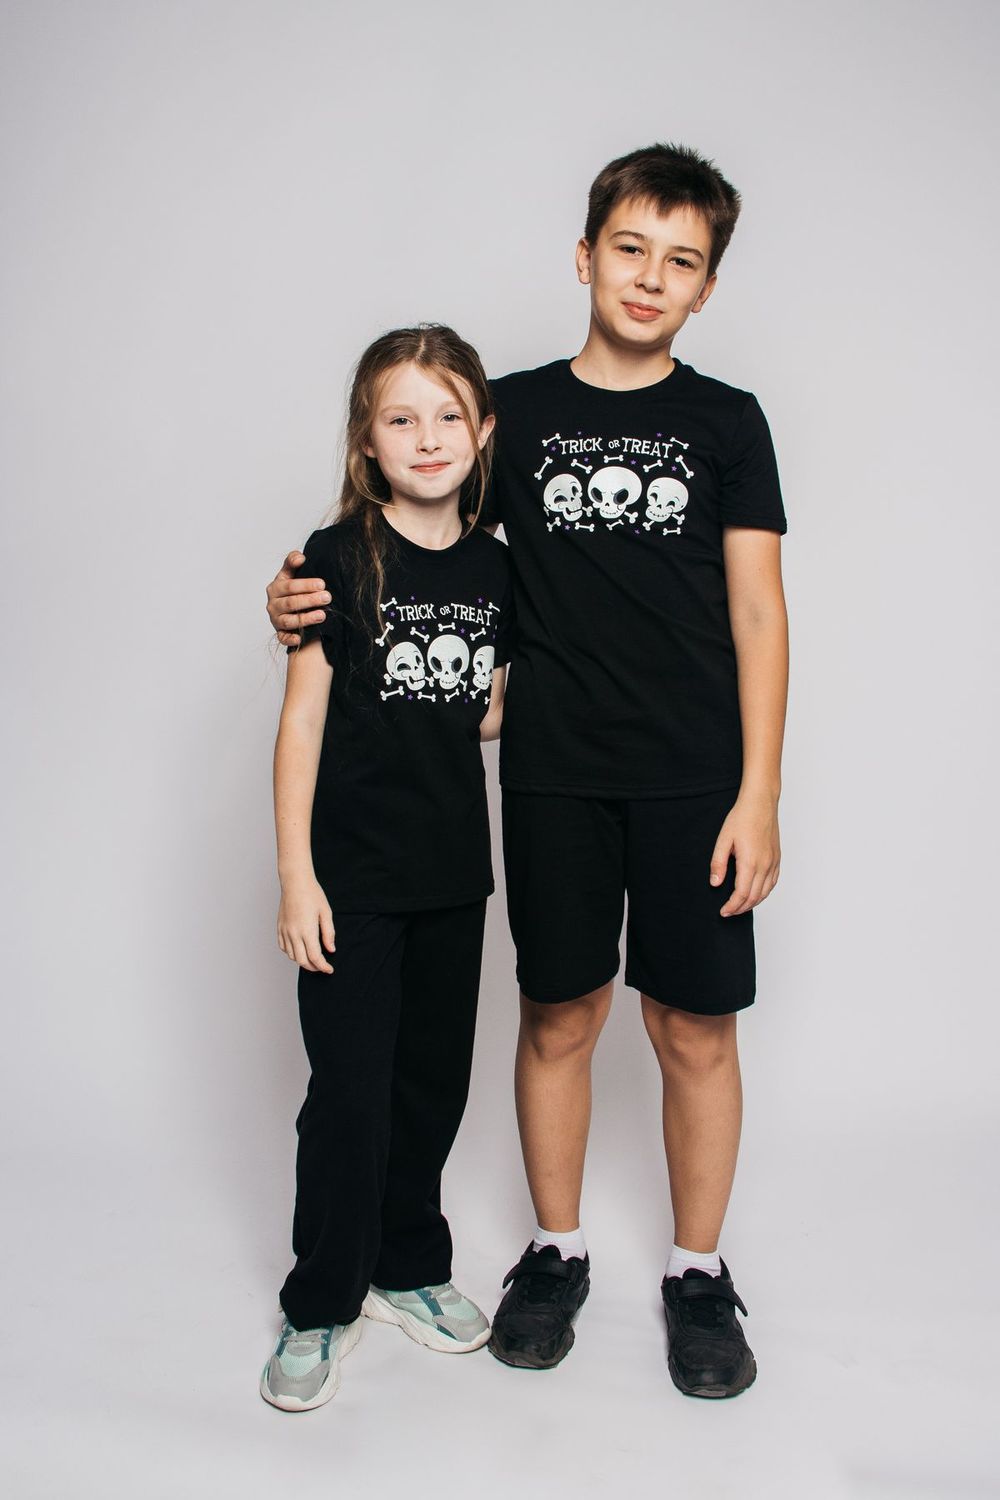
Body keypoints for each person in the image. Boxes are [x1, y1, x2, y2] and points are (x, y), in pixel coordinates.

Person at [266, 144, 789, 1400]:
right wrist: (300, 595)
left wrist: (759, 792)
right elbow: (417, 530)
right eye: (630, 249)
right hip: (551, 775)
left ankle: (698, 1273)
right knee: (559, 1013)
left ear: (707, 287)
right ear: (584, 255)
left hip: (693, 778)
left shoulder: (728, 423)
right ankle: (554, 1255)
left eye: (681, 261)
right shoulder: (510, 413)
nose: (650, 277)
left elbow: (759, 613)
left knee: (694, 1028)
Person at [260, 324, 512, 1412]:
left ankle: (407, 1266)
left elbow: (483, 711)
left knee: (430, 1086)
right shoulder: (333, 558)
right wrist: (296, 875)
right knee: (349, 1094)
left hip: (454, 877)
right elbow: (302, 723)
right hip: (351, 882)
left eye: (448, 415)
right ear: (367, 441)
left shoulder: (499, 565)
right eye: (401, 418)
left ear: (482, 431)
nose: (428, 436)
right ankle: (321, 1298)